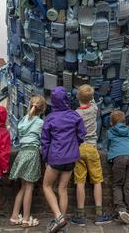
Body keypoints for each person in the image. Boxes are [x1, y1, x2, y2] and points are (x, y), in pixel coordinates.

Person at [41, 86, 86, 233]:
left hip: (56, 157)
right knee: (63, 189)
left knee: (47, 186)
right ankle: (63, 224)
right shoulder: (75, 115)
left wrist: (46, 158)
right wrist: (74, 145)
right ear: (67, 99)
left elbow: (45, 141)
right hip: (71, 158)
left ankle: (59, 217)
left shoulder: (50, 118)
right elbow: (82, 134)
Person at [70, 85, 112, 226]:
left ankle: (80, 215)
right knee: (97, 180)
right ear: (91, 98)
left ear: (77, 98)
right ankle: (99, 214)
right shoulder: (94, 109)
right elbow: (93, 101)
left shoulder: (75, 114)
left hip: (79, 148)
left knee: (80, 182)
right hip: (92, 148)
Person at [9, 95, 46, 228]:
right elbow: (43, 141)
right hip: (32, 153)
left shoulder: (22, 121)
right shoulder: (40, 123)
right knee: (29, 188)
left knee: (23, 187)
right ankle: (25, 219)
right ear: (43, 109)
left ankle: (14, 216)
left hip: (22, 153)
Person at [107, 110, 129, 225]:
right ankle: (128, 210)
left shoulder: (110, 132)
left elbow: (109, 146)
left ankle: (121, 210)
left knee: (117, 184)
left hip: (118, 158)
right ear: (124, 121)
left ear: (111, 122)